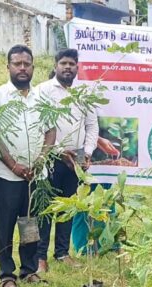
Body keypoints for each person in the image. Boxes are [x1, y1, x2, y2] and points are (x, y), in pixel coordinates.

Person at [0, 44, 56, 287]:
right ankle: (6, 275)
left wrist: (41, 159)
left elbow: (50, 130)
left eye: (27, 64)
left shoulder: (42, 98)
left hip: (36, 176)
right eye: (17, 63)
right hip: (6, 177)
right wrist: (13, 164)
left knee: (30, 224)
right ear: (8, 66)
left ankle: (29, 270)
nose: (22, 68)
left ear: (33, 67)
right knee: (4, 227)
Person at [34, 48, 98, 273]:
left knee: (69, 206)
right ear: (55, 65)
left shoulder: (84, 93)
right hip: (51, 157)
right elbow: (38, 126)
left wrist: (87, 152)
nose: (68, 67)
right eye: (63, 63)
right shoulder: (43, 91)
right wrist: (60, 151)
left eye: (72, 63)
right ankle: (40, 257)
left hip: (77, 159)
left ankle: (62, 252)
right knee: (46, 208)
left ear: (77, 67)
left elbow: (92, 126)